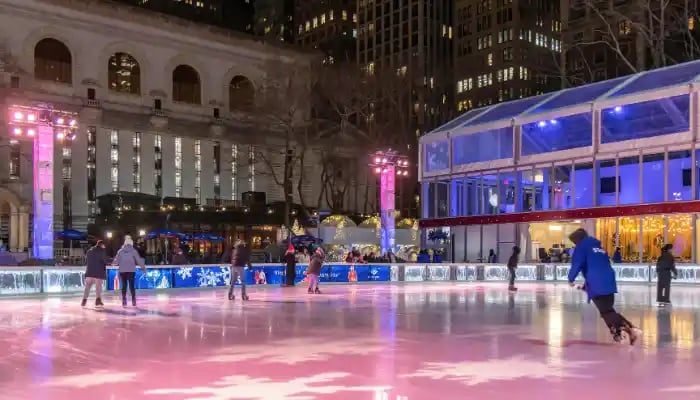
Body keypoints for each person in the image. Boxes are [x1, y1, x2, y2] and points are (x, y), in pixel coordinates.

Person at [568, 228, 642, 345]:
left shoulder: (581, 247)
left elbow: (577, 263)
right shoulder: (599, 248)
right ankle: (618, 333)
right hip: (608, 280)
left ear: (577, 240)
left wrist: (571, 279)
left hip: (597, 282)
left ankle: (631, 329)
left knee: (606, 311)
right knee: (607, 310)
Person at [113, 235, 146, 307]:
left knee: (124, 286)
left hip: (123, 271)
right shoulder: (134, 251)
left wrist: (113, 263)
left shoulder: (120, 251)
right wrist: (143, 268)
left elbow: (116, 261)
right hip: (131, 270)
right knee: (131, 286)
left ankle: (124, 300)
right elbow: (139, 260)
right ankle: (133, 300)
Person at [82, 240, 110, 308]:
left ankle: (84, 300)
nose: (104, 247)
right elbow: (105, 260)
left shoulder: (89, 251)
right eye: (104, 245)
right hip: (98, 273)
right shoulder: (101, 251)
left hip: (89, 272)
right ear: (101, 245)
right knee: (98, 287)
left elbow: (86, 261)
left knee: (87, 287)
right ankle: (98, 300)